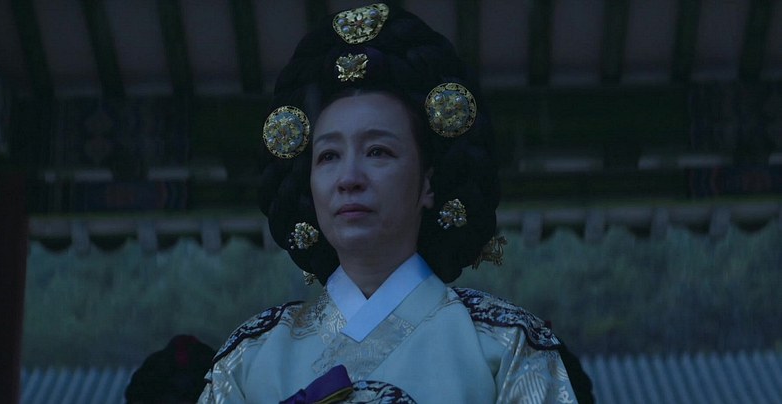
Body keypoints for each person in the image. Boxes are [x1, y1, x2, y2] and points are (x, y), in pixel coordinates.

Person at [200, 3, 593, 403]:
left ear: (428, 183)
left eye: (378, 152)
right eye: (329, 156)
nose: (349, 179)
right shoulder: (249, 360)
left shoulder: (507, 348)